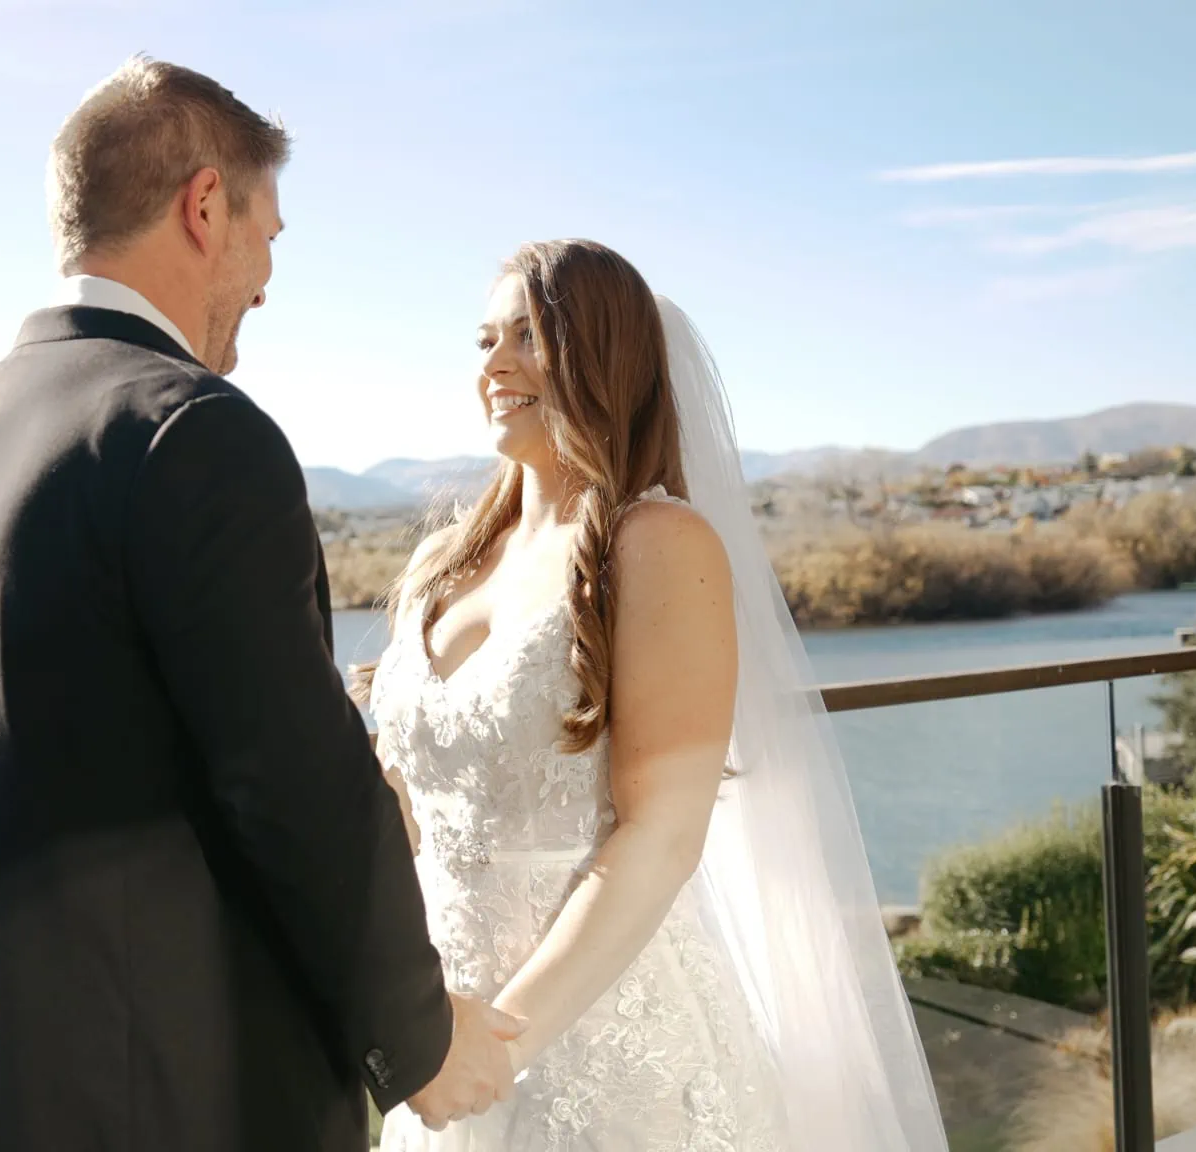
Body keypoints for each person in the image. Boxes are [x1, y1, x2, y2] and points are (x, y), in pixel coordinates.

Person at [0, 56, 519, 1151]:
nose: (266, 280)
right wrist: (418, 1037)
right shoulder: (193, 432)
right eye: (268, 232)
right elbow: (295, 782)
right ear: (205, 206)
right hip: (185, 1107)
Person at [364, 239, 950, 1150]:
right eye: (485, 340)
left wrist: (499, 1050)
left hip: (604, 1053)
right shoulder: (442, 562)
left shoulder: (657, 544)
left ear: (604, 353)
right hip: (444, 1036)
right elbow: (398, 815)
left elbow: (664, 835)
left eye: (528, 335)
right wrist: (408, 1014)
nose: (495, 364)